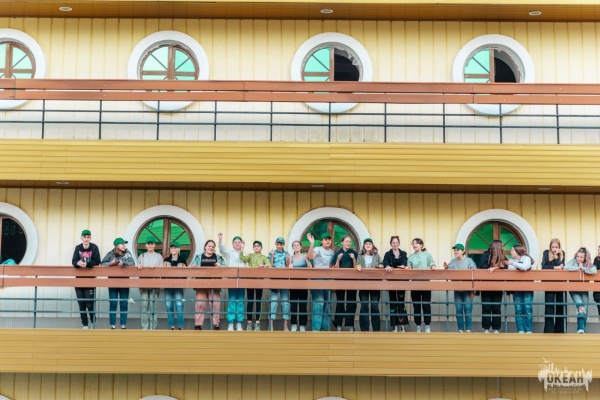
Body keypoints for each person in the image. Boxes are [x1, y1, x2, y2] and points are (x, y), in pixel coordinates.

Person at [190, 240, 226, 330]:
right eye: (209, 246)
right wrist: (193, 267)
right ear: (205, 247)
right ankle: (198, 325)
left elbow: (226, 268)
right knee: (200, 304)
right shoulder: (198, 257)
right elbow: (191, 267)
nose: (211, 248)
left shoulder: (218, 257)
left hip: (214, 284)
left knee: (215, 304)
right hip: (201, 283)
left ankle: (216, 325)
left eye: (213, 246)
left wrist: (220, 267)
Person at [101, 237, 136, 329]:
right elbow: (102, 264)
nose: (124, 245)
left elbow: (132, 263)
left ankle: (123, 325)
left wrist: (123, 263)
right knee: (113, 303)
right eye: (122, 244)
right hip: (112, 282)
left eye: (125, 244)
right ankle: (112, 325)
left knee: (124, 303)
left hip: (124, 282)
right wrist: (110, 264)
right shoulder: (110, 254)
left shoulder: (127, 253)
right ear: (117, 246)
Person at [71, 229, 101, 329]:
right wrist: (78, 263)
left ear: (90, 238)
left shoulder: (94, 247)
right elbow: (74, 261)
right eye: (85, 237)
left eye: (88, 237)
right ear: (81, 238)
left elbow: (97, 261)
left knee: (89, 303)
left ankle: (93, 322)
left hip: (90, 279)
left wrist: (87, 264)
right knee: (81, 303)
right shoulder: (78, 248)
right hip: (79, 279)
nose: (86, 239)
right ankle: (85, 324)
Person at [443, 243, 476, 333]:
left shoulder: (469, 261)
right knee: (458, 310)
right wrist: (446, 268)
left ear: (463, 251)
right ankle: (460, 329)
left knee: (468, 309)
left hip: (467, 289)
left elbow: (474, 273)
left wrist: (473, 290)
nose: (456, 251)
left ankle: (468, 329)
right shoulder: (453, 262)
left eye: (458, 250)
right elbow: (449, 273)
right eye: (455, 250)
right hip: (457, 289)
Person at [564, 247, 597, 334]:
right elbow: (566, 267)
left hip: (584, 290)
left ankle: (582, 331)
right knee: (581, 307)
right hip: (573, 289)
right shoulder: (573, 261)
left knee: (585, 310)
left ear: (585, 257)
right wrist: (577, 268)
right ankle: (580, 329)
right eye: (577, 256)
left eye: (581, 257)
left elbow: (594, 270)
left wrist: (584, 269)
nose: (578, 258)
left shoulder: (587, 263)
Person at [239, 240, 271, 331]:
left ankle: (257, 322)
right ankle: (249, 322)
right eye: (255, 246)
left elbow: (269, 265)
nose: (256, 247)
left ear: (261, 248)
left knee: (258, 301)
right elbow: (242, 258)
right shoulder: (250, 255)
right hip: (250, 281)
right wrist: (242, 248)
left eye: (258, 246)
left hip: (259, 282)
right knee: (250, 301)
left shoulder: (264, 257)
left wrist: (264, 266)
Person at [218, 233, 247, 331]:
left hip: (242, 281)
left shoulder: (245, 254)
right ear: (233, 244)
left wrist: (243, 249)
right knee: (232, 300)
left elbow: (248, 266)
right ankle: (230, 323)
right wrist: (220, 239)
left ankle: (239, 323)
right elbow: (223, 250)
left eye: (239, 242)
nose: (237, 244)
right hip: (232, 280)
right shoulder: (229, 253)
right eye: (235, 242)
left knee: (240, 301)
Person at [407, 238, 436, 333]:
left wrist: (433, 266)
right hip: (415, 284)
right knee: (416, 306)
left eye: (416, 243)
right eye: (413, 243)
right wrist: (409, 268)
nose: (414, 245)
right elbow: (409, 267)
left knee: (426, 305)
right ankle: (418, 326)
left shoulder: (427, 255)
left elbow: (432, 263)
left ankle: (427, 325)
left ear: (421, 245)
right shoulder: (411, 257)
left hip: (425, 283)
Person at [478, 239, 508, 334]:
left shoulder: (502, 256)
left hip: (498, 286)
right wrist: (492, 267)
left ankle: (496, 328)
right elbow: (482, 267)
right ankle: (486, 328)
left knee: (496, 307)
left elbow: (506, 266)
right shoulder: (486, 255)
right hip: (486, 286)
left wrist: (496, 267)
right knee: (486, 307)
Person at [356, 238, 384, 332]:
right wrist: (357, 266)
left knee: (374, 306)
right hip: (363, 284)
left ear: (372, 246)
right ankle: (364, 329)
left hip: (374, 284)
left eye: (370, 244)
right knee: (364, 306)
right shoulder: (360, 256)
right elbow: (356, 264)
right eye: (366, 244)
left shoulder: (377, 256)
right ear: (364, 246)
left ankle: (376, 329)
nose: (368, 245)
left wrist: (380, 266)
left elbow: (381, 263)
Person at [332, 235, 359, 331]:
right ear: (342, 242)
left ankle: (350, 324)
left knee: (351, 302)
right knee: (340, 302)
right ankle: (338, 324)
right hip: (340, 281)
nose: (348, 243)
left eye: (349, 242)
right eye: (346, 241)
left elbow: (357, 267)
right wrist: (338, 259)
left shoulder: (354, 253)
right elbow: (335, 268)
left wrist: (354, 259)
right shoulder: (338, 253)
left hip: (352, 281)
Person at [308, 232, 334, 332]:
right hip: (317, 279)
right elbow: (310, 257)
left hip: (328, 280)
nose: (327, 241)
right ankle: (316, 329)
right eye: (325, 239)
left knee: (327, 304)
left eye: (329, 239)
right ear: (322, 241)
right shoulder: (317, 249)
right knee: (319, 303)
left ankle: (325, 329)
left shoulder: (332, 252)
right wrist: (311, 243)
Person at [136, 236, 164, 330]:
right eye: (149, 244)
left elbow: (161, 270)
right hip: (144, 284)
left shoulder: (159, 256)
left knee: (154, 306)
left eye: (152, 244)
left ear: (155, 245)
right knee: (144, 306)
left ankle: (153, 327)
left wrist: (155, 268)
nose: (150, 245)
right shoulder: (141, 256)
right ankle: (144, 327)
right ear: (146, 245)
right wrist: (139, 266)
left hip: (155, 284)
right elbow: (138, 268)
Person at [382, 236, 409, 332]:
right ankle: (394, 326)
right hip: (391, 282)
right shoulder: (388, 254)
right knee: (393, 302)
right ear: (391, 244)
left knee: (401, 302)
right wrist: (387, 265)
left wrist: (404, 265)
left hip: (401, 282)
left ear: (399, 243)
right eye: (393, 242)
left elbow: (406, 261)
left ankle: (402, 325)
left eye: (396, 242)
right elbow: (385, 262)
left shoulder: (403, 253)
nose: (395, 244)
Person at [506, 244, 534, 334]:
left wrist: (514, 264)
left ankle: (528, 330)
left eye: (513, 250)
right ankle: (520, 330)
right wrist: (518, 266)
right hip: (516, 287)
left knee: (527, 308)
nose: (511, 251)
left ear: (518, 251)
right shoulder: (511, 259)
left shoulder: (526, 258)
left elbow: (525, 267)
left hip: (527, 287)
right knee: (518, 309)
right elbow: (511, 269)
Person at [541, 238, 566, 334]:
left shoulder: (562, 253)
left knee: (560, 307)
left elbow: (562, 267)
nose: (554, 249)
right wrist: (555, 267)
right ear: (550, 247)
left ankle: (559, 331)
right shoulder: (546, 253)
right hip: (549, 283)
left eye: (556, 247)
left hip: (560, 283)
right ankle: (549, 330)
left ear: (559, 247)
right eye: (553, 247)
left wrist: (556, 257)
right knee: (549, 306)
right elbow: (544, 266)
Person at [289, 239, 313, 332]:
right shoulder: (291, 258)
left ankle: (302, 325)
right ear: (292, 248)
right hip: (293, 284)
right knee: (293, 305)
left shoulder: (304, 256)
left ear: (301, 247)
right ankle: (294, 324)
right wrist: (289, 267)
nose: (296, 247)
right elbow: (288, 270)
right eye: (294, 245)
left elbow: (310, 268)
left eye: (297, 245)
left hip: (303, 283)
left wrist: (307, 260)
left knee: (303, 305)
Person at [268, 237, 292, 331]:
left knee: (285, 302)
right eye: (277, 244)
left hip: (284, 280)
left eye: (281, 244)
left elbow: (288, 266)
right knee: (273, 302)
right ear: (275, 244)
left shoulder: (286, 253)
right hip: (274, 279)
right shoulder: (271, 253)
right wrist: (272, 256)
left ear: (283, 245)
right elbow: (270, 265)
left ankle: (285, 325)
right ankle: (271, 325)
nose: (279, 246)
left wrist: (288, 259)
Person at [163, 241, 187, 330]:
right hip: (168, 285)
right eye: (172, 248)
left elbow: (185, 274)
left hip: (178, 286)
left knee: (179, 305)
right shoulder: (166, 260)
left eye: (175, 248)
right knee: (169, 305)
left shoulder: (182, 260)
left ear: (179, 249)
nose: (173, 249)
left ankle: (180, 326)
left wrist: (183, 284)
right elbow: (163, 273)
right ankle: (172, 326)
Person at [593, 246, 600, 317]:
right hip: (598, 292)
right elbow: (594, 269)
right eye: (598, 250)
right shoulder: (596, 259)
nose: (599, 252)